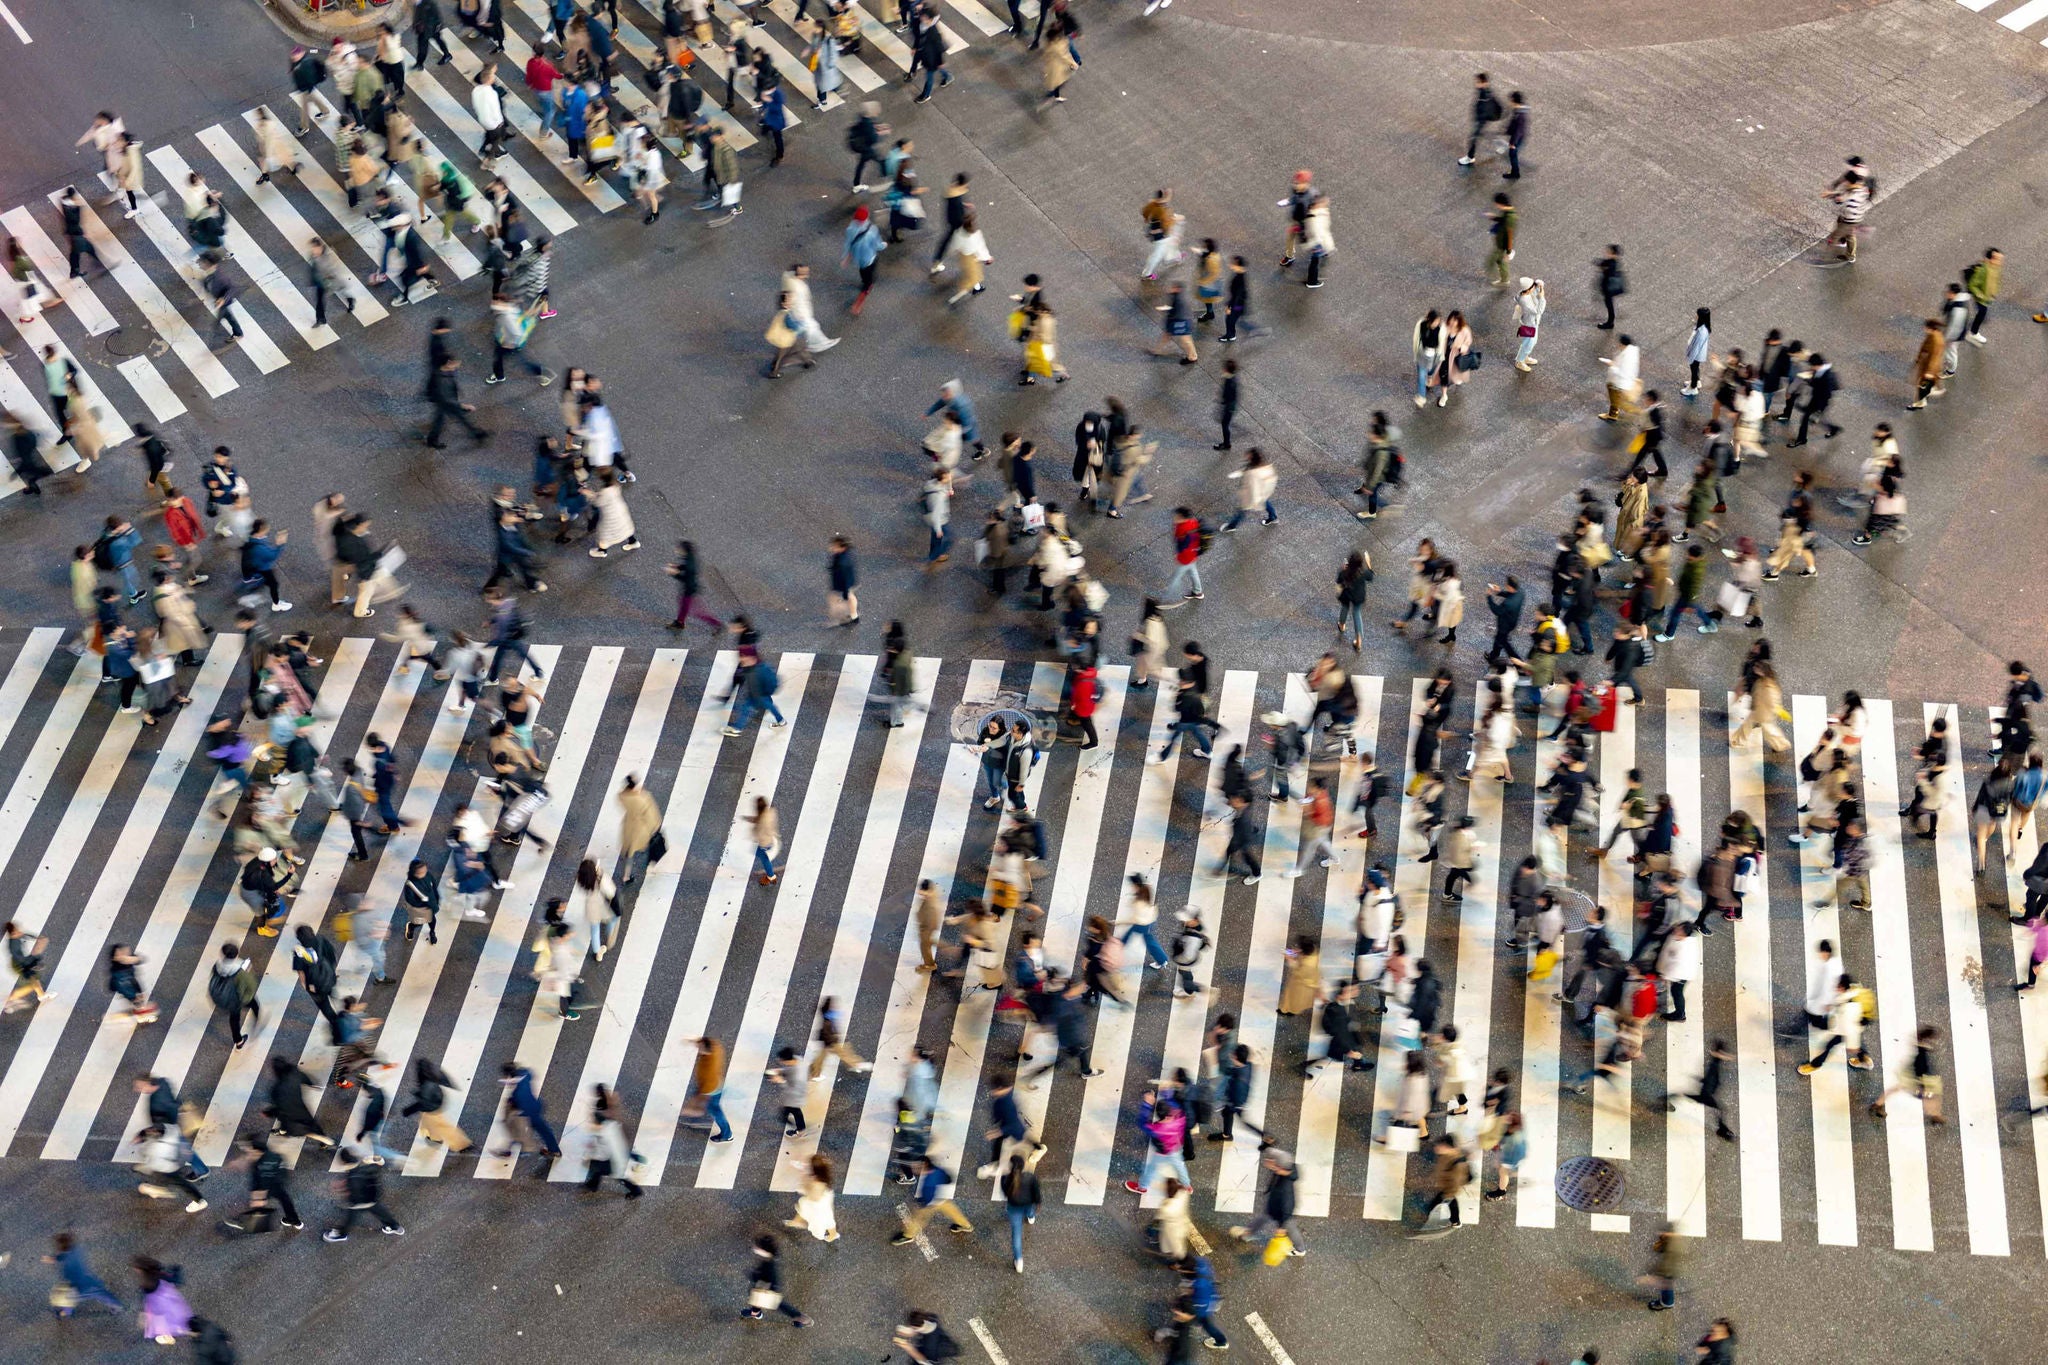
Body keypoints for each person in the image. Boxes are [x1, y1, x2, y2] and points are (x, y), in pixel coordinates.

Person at [1001, 1151, 1040, 1272]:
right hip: (1028, 1204)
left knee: (1016, 1233)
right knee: (1030, 1211)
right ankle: (1031, 1217)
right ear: (1023, 1166)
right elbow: (1036, 1193)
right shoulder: (1030, 1177)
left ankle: (1019, 1261)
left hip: (1014, 1208)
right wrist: (1038, 1202)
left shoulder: (1005, 1179)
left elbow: (1005, 1193)